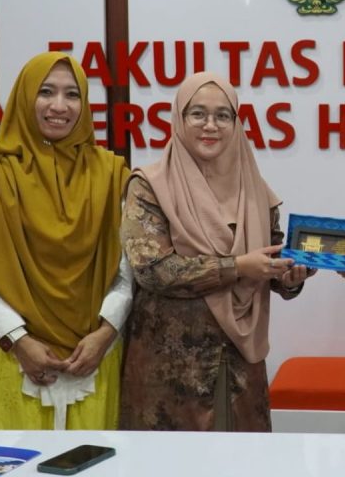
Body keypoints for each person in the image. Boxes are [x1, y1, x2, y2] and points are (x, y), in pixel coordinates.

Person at [0, 51, 132, 430]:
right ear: (25, 97)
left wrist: (105, 335)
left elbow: (128, 271)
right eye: (46, 91)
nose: (59, 106)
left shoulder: (111, 174)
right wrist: (19, 339)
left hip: (93, 359)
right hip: (9, 357)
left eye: (72, 94)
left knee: (94, 458)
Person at [119, 71, 313, 432]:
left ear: (236, 123)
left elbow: (270, 262)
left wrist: (288, 277)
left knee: (243, 459)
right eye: (198, 114)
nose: (211, 125)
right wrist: (237, 267)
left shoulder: (255, 191)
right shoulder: (149, 186)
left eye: (223, 115)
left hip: (242, 365)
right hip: (171, 372)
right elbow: (152, 270)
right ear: (179, 118)